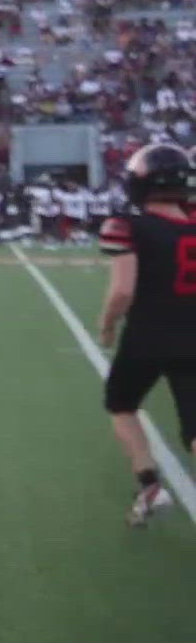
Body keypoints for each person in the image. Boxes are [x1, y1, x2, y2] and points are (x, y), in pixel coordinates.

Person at [96, 143, 196, 526]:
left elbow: (123, 290)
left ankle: (149, 481)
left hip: (148, 336)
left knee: (121, 405)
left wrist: (106, 326)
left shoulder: (126, 224)